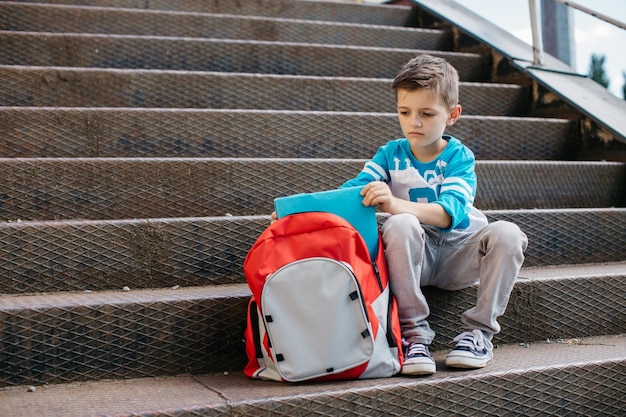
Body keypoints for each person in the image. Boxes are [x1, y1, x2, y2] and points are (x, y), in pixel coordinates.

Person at [340, 54, 528, 376]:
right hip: (417, 256)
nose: (414, 122)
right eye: (404, 112)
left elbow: (447, 214)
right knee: (399, 225)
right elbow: (349, 194)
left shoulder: (459, 157)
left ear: (452, 115)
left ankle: (478, 334)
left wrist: (395, 204)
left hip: (460, 255)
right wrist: (299, 215)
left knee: (508, 233)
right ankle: (414, 337)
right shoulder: (390, 154)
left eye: (427, 114)